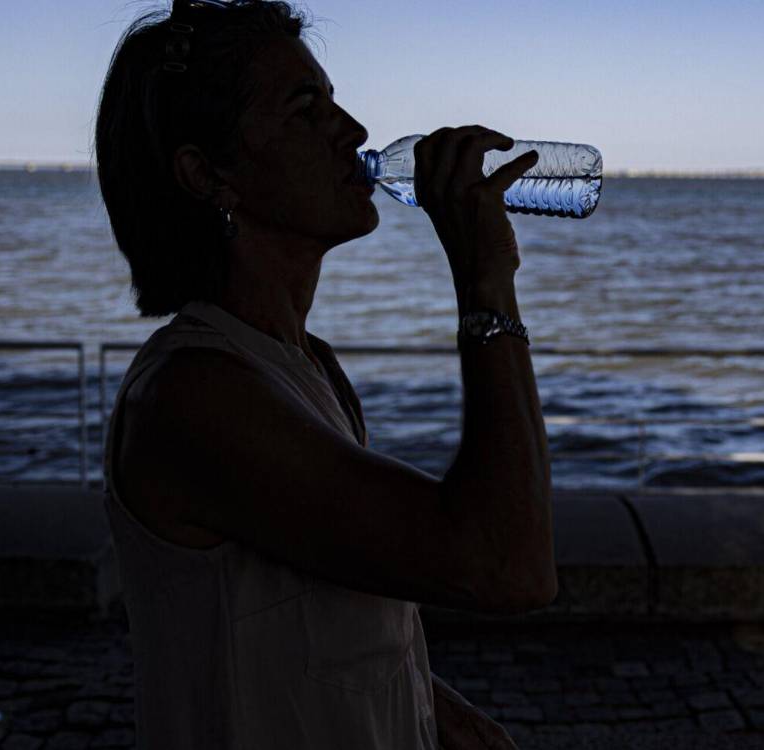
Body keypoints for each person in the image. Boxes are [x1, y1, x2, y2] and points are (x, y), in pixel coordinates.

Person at [95, 2, 553, 748]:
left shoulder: (306, 366)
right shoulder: (194, 398)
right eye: (306, 109)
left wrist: (436, 713)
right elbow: (507, 566)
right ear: (208, 173)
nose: (354, 132)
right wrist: (485, 284)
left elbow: (314, 621)